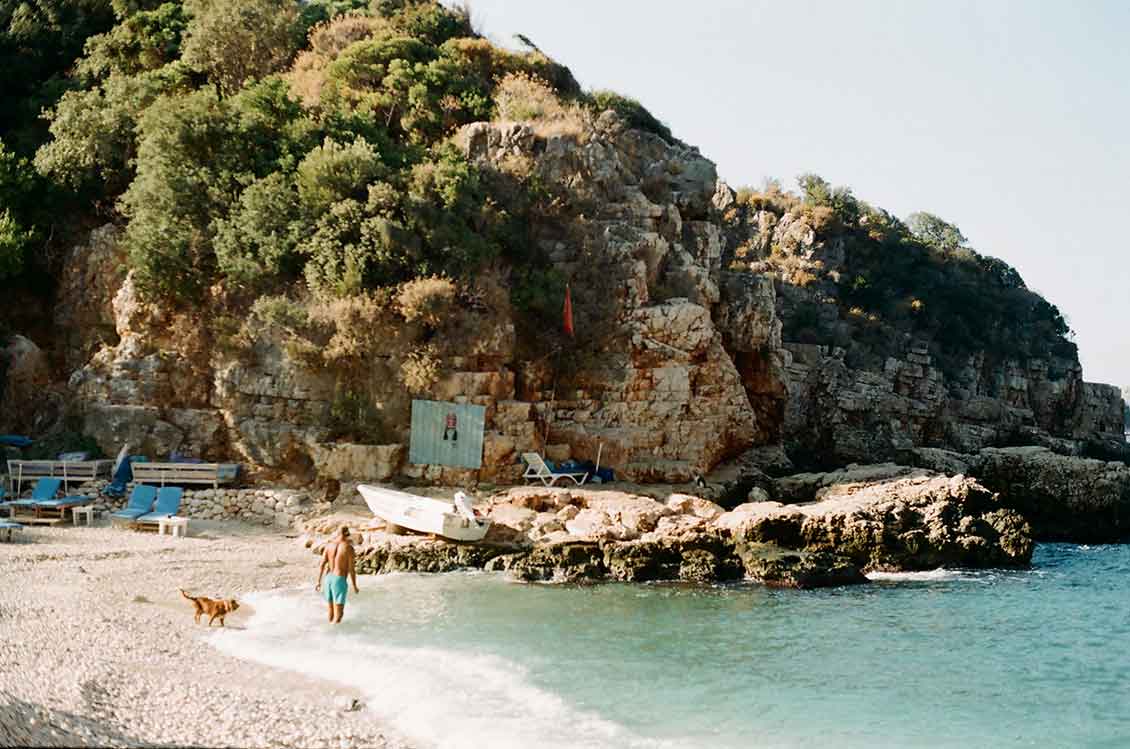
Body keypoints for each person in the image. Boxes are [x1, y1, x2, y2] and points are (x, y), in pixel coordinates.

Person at [315, 526, 359, 624]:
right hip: (339, 580)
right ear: (347, 534)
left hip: (328, 579)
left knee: (331, 610)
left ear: (337, 533)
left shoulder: (329, 545)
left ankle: (328, 634)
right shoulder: (348, 548)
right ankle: (334, 635)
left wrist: (318, 581)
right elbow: (351, 569)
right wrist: (355, 585)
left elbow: (322, 564)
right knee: (339, 614)